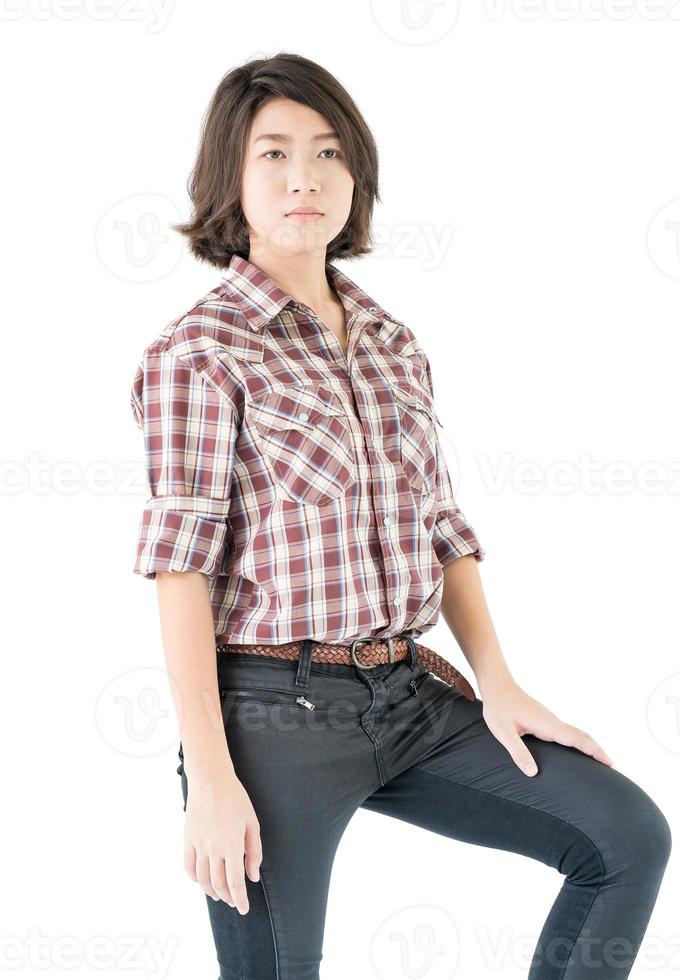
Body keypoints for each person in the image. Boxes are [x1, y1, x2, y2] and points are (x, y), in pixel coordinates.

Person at [130, 52, 671, 980]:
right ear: (231, 175)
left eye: (331, 152)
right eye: (274, 154)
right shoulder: (198, 353)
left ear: (357, 178)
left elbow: (442, 525)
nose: (306, 177)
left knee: (625, 837)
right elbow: (182, 570)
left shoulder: (392, 341)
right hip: (270, 715)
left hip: (412, 696)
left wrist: (497, 681)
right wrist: (211, 777)